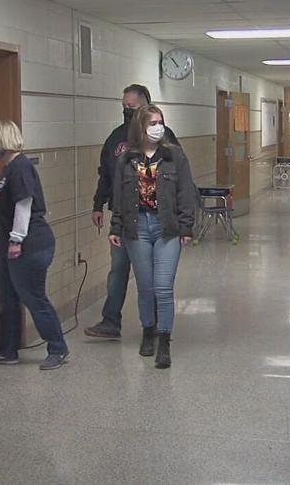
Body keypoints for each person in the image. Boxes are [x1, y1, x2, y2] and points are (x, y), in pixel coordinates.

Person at [85, 84, 179, 339]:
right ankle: (110, 321)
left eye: (132, 107)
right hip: (124, 218)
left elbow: (178, 178)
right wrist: (98, 204)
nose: (127, 111)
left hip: (155, 219)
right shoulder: (116, 138)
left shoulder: (164, 136)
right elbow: (106, 174)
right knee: (118, 269)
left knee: (154, 277)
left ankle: (159, 326)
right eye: (124, 107)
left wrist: (182, 220)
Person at [108, 105, 197, 369]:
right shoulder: (126, 159)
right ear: (141, 128)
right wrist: (115, 227)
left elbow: (185, 192)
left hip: (166, 227)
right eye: (152, 123)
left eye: (161, 122)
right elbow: (119, 196)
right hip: (137, 228)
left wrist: (186, 227)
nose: (158, 127)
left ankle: (164, 340)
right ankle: (148, 331)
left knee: (163, 287)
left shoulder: (174, 156)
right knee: (145, 287)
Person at [0, 120, 70, 371]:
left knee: (34, 298)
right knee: (7, 299)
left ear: (0, 142)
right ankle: (7, 351)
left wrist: (16, 240)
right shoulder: (8, 168)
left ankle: (57, 347)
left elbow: (24, 205)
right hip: (8, 247)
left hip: (29, 246)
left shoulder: (20, 167)